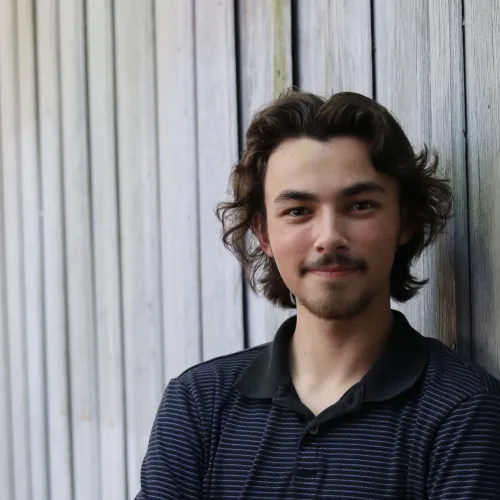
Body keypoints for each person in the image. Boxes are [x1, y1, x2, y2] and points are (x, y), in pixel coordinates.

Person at [135, 89, 500, 499]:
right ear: (263, 233)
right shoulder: (198, 405)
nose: (329, 238)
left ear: (405, 222)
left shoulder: (463, 410)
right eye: (298, 211)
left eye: (360, 205)